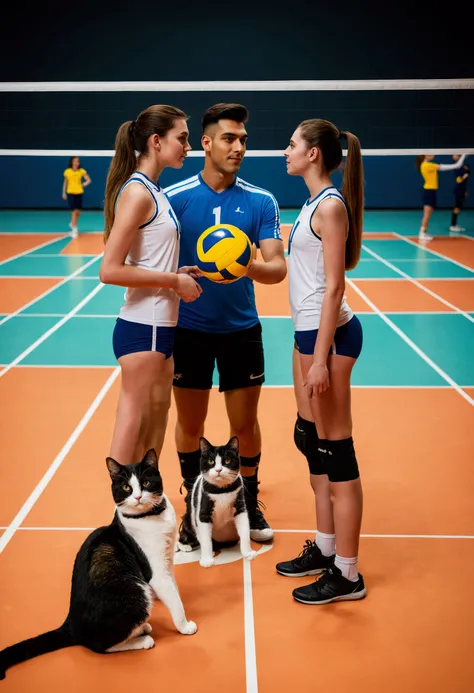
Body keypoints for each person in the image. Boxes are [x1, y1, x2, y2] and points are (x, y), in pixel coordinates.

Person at [164, 103, 287, 544]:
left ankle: (247, 502)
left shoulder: (260, 200)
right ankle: (192, 505)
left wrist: (242, 262)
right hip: (189, 330)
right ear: (206, 143)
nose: (239, 147)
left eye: (244, 140)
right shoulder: (175, 199)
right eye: (230, 139)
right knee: (190, 426)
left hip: (240, 330)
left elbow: (277, 268)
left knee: (244, 425)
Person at [275, 119, 366, 605]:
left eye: (291, 145)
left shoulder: (330, 206)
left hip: (328, 340)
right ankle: (327, 550)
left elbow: (335, 286)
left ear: (313, 154)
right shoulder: (311, 204)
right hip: (307, 335)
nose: (284, 151)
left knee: (338, 455)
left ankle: (348, 575)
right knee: (310, 441)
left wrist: (320, 359)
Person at [99, 105, 202, 467]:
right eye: (183, 138)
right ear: (156, 142)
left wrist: (177, 270)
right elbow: (109, 270)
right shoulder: (138, 193)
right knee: (131, 422)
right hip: (143, 327)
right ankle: (121, 516)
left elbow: (147, 260)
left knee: (155, 424)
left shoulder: (155, 191)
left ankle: (146, 506)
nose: (188, 146)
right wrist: (172, 279)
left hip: (162, 328)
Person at [415, 153, 467, 241]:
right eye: (430, 153)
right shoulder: (428, 165)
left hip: (430, 191)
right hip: (429, 192)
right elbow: (457, 165)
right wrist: (465, 154)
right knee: (427, 214)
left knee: (428, 213)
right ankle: (422, 233)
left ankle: (424, 232)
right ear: (425, 155)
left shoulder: (426, 165)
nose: (433, 154)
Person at [62, 156, 91, 238]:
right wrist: (63, 192)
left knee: (78, 212)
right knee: (74, 211)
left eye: (78, 161)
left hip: (79, 192)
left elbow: (88, 179)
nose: (76, 162)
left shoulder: (81, 171)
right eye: (75, 161)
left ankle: (72, 223)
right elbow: (65, 183)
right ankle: (74, 229)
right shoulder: (67, 171)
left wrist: (84, 184)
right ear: (72, 162)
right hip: (70, 193)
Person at [450, 154, 470, 233]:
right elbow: (459, 180)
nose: (457, 156)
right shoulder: (456, 166)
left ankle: (454, 224)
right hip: (458, 190)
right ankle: (453, 225)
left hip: (462, 189)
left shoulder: (463, 166)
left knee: (458, 207)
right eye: (455, 155)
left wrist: (465, 190)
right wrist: (465, 176)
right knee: (457, 207)